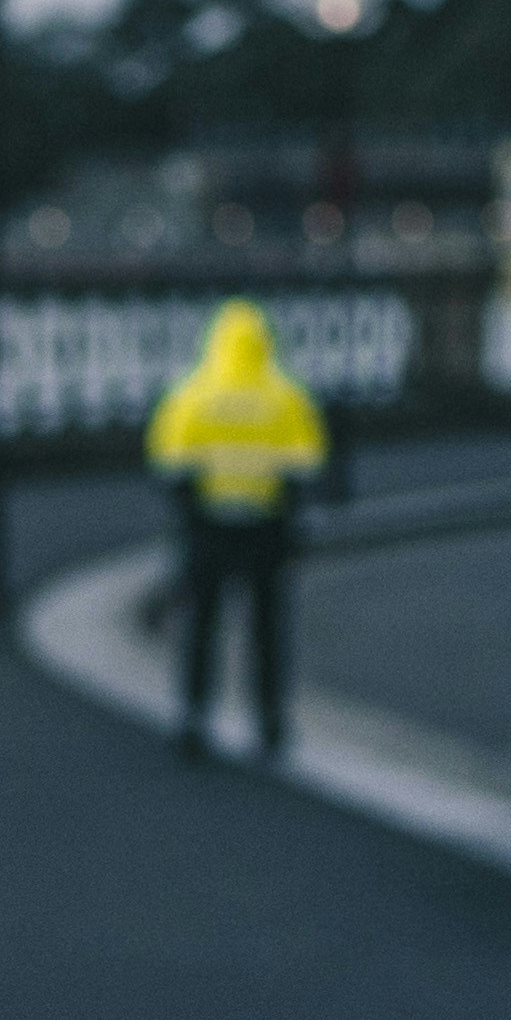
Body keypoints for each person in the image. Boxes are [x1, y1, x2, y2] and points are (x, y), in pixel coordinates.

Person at [144, 298, 327, 761]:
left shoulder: (192, 393)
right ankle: (269, 723)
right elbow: (305, 467)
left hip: (208, 528)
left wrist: (192, 512)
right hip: (266, 528)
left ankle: (194, 718)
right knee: (267, 629)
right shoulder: (287, 396)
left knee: (201, 626)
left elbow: (170, 465)